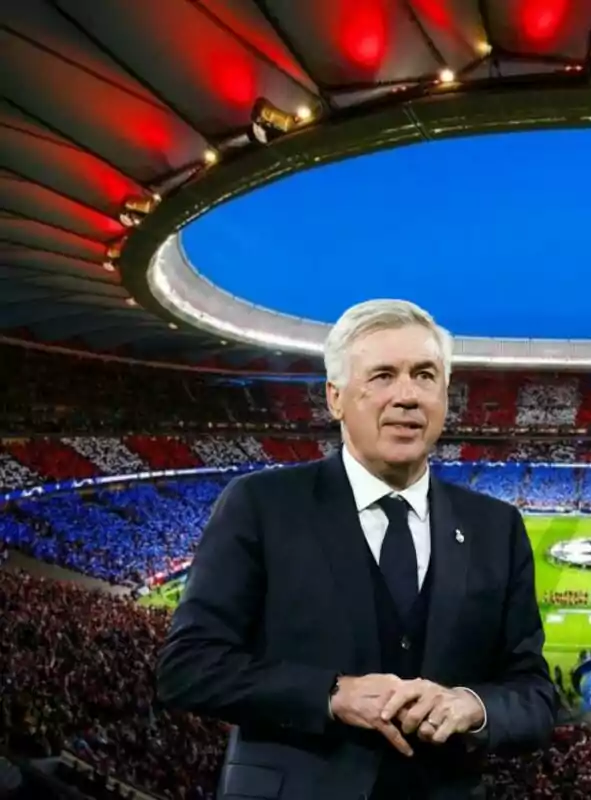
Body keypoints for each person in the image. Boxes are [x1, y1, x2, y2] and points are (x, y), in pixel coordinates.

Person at [157, 299, 555, 800]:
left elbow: (534, 695)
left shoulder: (496, 527)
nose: (407, 396)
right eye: (383, 376)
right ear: (336, 397)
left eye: (425, 375)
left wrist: (472, 706)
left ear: (446, 396)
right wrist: (331, 694)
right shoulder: (262, 505)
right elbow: (187, 667)